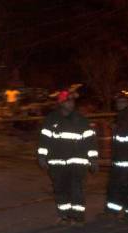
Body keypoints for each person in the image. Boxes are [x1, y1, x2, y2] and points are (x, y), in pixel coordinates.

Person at [37, 90, 97, 224]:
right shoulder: (51, 119)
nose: (71, 103)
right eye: (68, 101)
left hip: (78, 163)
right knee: (60, 189)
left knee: (77, 190)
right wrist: (42, 156)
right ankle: (64, 215)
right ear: (61, 103)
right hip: (57, 163)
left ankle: (78, 217)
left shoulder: (81, 120)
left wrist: (93, 159)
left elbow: (90, 141)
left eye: (72, 101)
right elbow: (44, 140)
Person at [106, 91, 128, 218]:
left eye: (122, 102)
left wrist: (115, 128)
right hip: (121, 158)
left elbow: (125, 137)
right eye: (118, 102)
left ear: (127, 104)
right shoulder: (122, 116)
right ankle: (115, 211)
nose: (119, 104)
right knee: (117, 185)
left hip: (127, 159)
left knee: (125, 186)